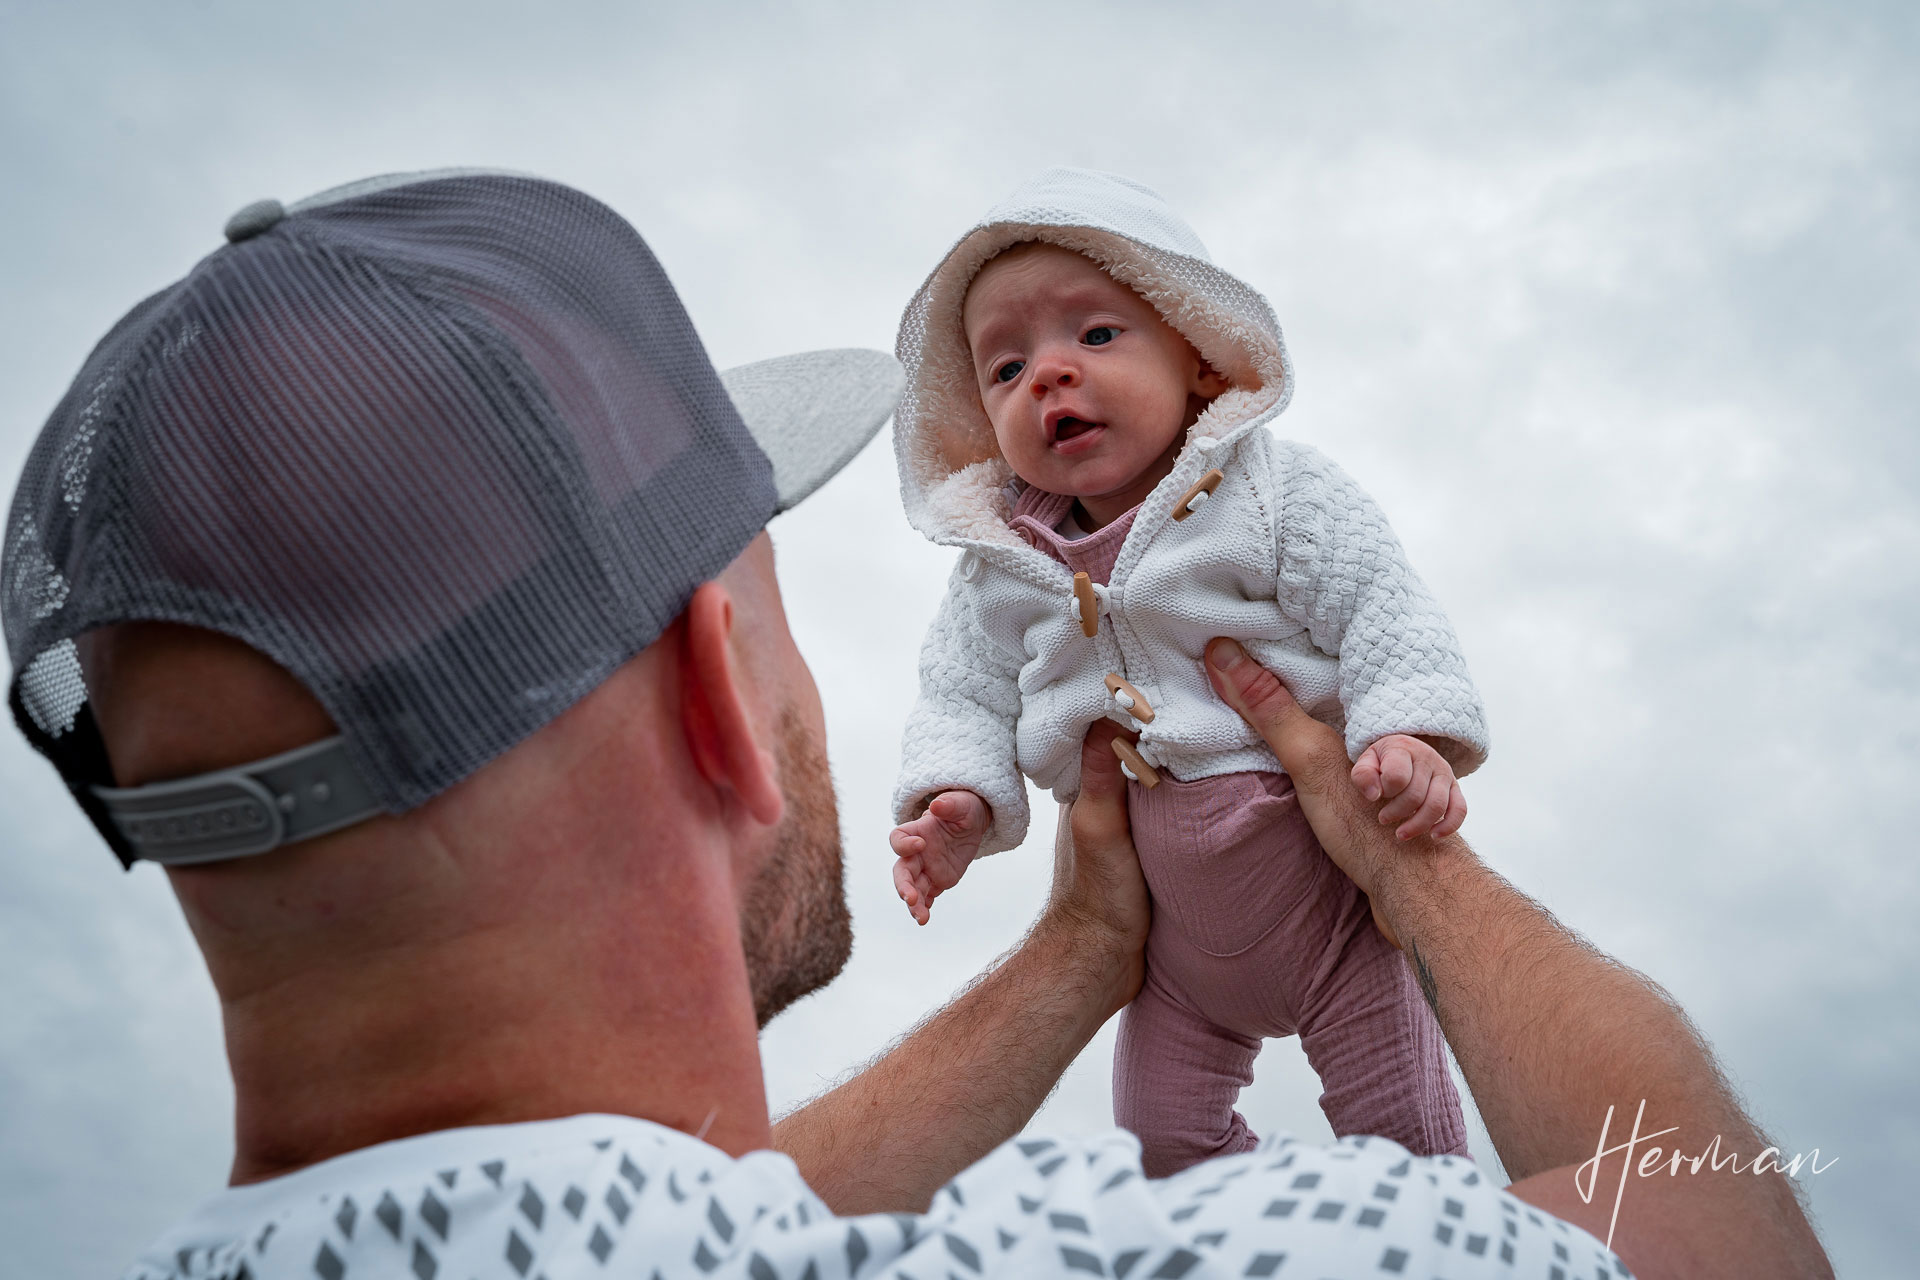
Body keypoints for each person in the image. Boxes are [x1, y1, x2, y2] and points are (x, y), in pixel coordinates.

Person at [0, 169, 1828, 1279]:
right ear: (721, 693)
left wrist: (1077, 954)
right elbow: (1727, 1229)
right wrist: (1404, 872)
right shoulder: (1259, 1245)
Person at [887, 168, 1480, 1172]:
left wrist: (1405, 735)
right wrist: (957, 801)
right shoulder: (998, 568)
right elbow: (961, 692)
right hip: (1169, 949)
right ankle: (1267, 1231)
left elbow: (1380, 602)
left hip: (1331, 900)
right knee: (1161, 1149)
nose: (1048, 375)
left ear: (1202, 361)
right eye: (1005, 366)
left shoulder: (1271, 493)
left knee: (1409, 1139)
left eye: (1097, 334)